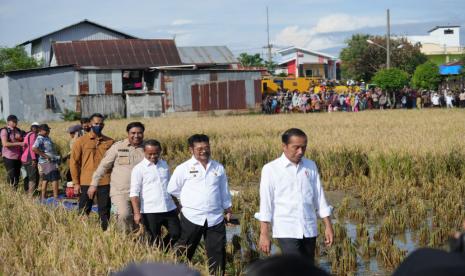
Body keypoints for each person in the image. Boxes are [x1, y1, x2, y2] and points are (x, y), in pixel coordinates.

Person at [256, 128, 334, 263]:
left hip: (309, 228)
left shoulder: (310, 166)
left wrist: (328, 226)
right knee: (294, 267)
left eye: (304, 147)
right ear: (284, 146)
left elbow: (319, 197)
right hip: (286, 229)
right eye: (296, 147)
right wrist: (264, 234)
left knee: (308, 267)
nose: (300, 152)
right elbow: (266, 204)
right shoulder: (271, 169)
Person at [167, 134, 232, 275]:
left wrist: (227, 208)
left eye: (207, 147)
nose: (204, 151)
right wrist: (183, 204)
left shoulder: (218, 167)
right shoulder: (183, 168)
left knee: (218, 252)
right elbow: (172, 189)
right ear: (191, 149)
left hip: (215, 217)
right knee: (185, 250)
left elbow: (223, 190)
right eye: (199, 148)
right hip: (192, 216)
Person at [88, 122, 145, 232]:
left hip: (142, 192)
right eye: (133, 133)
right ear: (128, 133)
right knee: (123, 215)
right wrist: (94, 184)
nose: (136, 136)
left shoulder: (147, 148)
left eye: (139, 133)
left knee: (142, 219)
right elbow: (103, 166)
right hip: (121, 191)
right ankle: (124, 241)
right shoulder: (118, 147)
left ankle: (140, 242)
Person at [130, 140, 180, 247]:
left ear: (160, 151)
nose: (153, 156)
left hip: (168, 208)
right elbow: (134, 193)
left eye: (156, 153)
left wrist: (176, 203)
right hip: (150, 210)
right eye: (150, 154)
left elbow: (170, 186)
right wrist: (137, 213)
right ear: (144, 152)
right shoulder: (138, 169)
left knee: (177, 233)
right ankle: (158, 257)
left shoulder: (164, 165)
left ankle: (162, 250)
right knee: (154, 238)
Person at [70, 113, 114, 230]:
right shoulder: (80, 141)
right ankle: (81, 233)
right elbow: (74, 162)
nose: (98, 126)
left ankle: (104, 233)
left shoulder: (110, 142)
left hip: (105, 181)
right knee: (84, 210)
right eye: (96, 123)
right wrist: (76, 183)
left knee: (104, 210)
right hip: (86, 181)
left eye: (101, 124)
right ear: (90, 124)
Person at [32, 124, 61, 201]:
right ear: (41, 130)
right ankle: (56, 197)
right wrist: (45, 156)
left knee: (45, 179)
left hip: (51, 160)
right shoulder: (40, 138)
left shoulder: (46, 137)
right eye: (46, 130)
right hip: (46, 162)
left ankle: (43, 196)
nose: (48, 131)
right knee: (54, 178)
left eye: (48, 130)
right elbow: (34, 148)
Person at [1, 114, 25, 189]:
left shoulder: (18, 130)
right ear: (8, 122)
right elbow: (5, 144)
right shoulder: (4, 131)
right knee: (11, 176)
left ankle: (15, 192)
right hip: (8, 157)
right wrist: (19, 143)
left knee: (17, 176)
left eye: (16, 121)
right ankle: (10, 193)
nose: (15, 122)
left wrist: (21, 139)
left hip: (18, 157)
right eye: (13, 121)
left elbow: (23, 139)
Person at [21, 122, 40, 194]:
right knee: (33, 177)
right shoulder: (33, 135)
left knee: (27, 177)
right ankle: (30, 195)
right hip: (30, 159)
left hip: (24, 158)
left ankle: (27, 193)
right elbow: (32, 148)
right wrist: (34, 159)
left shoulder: (27, 134)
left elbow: (24, 147)